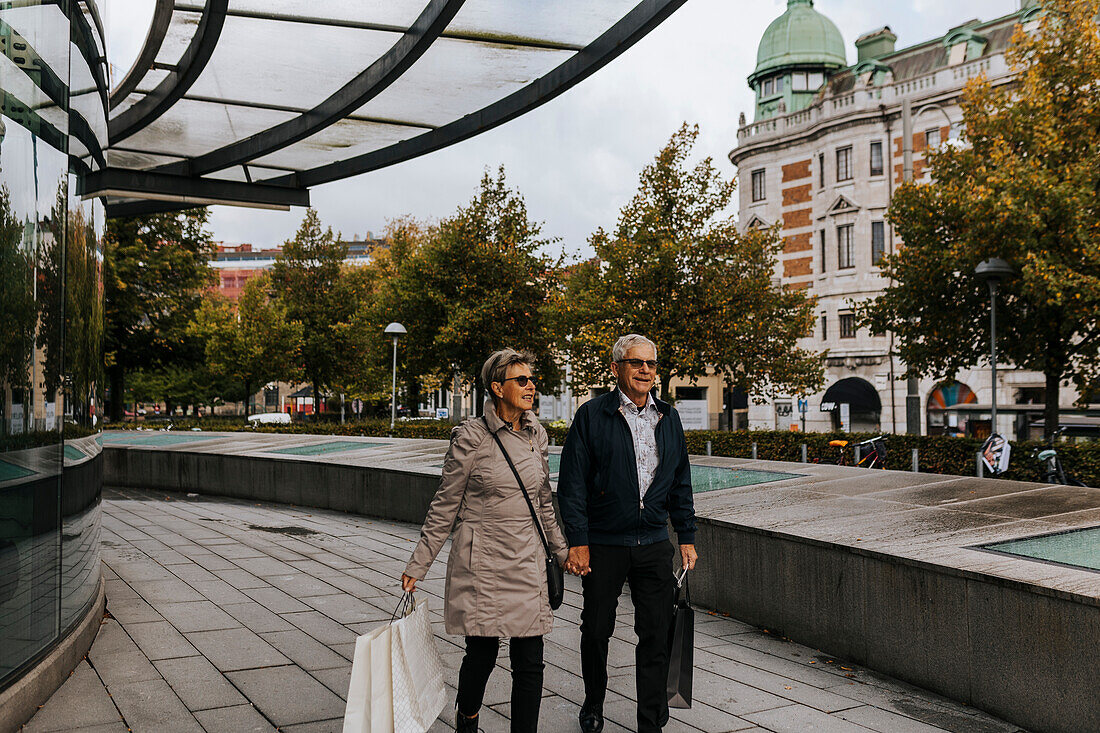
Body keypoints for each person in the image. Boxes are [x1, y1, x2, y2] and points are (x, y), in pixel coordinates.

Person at [402, 349, 568, 733]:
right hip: (483, 561)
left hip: (527, 558)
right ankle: (469, 716)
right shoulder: (470, 437)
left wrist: (562, 551)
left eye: (532, 379)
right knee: (482, 653)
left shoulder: (536, 434)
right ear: (497, 387)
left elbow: (543, 501)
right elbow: (444, 506)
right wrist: (419, 564)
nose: (531, 386)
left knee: (531, 658)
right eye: (521, 380)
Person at [557, 334, 698, 733]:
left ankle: (651, 717)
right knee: (596, 629)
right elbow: (572, 485)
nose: (645, 370)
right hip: (604, 543)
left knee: (656, 632)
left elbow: (680, 482)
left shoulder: (668, 418)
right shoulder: (592, 416)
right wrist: (579, 541)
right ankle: (593, 703)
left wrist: (685, 536)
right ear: (617, 367)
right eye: (636, 363)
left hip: (653, 543)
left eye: (651, 364)